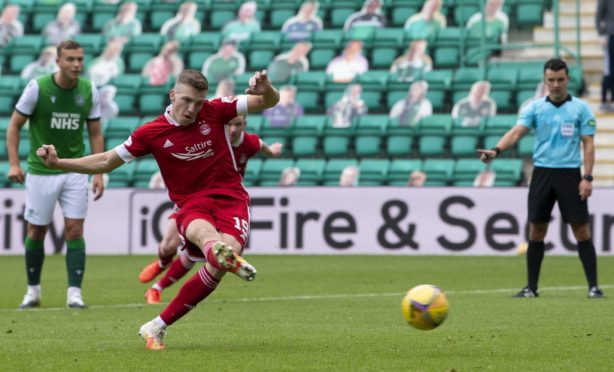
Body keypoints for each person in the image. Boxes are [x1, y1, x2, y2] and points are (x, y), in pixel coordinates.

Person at [35, 68, 280, 349]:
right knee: (207, 239)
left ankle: (156, 326)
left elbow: (269, 101)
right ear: (173, 94)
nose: (192, 109)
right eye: (186, 100)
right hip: (191, 202)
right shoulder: (151, 133)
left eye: (198, 103)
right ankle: (217, 251)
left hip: (231, 198)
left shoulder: (217, 110)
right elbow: (105, 161)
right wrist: (59, 163)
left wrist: (267, 87)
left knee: (222, 261)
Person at [477, 58, 604, 299]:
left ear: (568, 79)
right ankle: (531, 288)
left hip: (569, 173)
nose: (555, 85)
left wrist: (587, 177)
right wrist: (496, 150)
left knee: (581, 231)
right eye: (551, 80)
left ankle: (593, 287)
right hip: (542, 173)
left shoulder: (580, 108)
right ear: (545, 81)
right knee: (536, 231)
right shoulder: (535, 108)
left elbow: (588, 144)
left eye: (560, 80)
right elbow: (516, 133)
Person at [139, 115, 283, 305]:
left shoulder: (248, 142)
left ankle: (156, 289)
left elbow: (261, 146)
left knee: (199, 252)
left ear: (244, 125)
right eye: (229, 124)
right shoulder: (211, 136)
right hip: (195, 199)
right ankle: (162, 263)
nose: (232, 130)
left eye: (237, 125)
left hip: (225, 203)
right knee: (168, 246)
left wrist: (272, 152)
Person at [6, 40, 105, 309]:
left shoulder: (89, 90)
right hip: (40, 171)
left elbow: (95, 133)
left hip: (74, 169)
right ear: (58, 61)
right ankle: (33, 291)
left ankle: (74, 293)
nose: (76, 64)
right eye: (70, 59)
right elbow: (14, 127)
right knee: (36, 231)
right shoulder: (37, 87)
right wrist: (14, 164)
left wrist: (99, 173)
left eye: (80, 59)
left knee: (74, 230)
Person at [597, 0, 614, 112]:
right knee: (610, 70)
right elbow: (599, 16)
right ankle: (605, 100)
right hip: (611, 36)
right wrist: (602, 34)